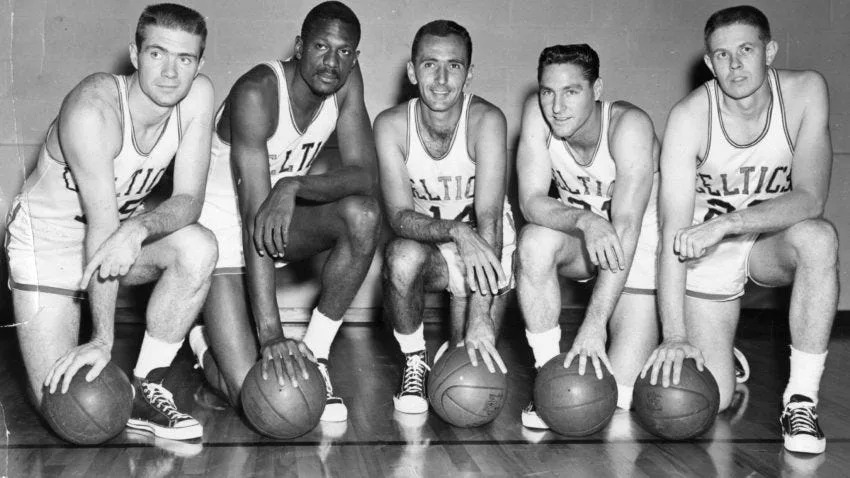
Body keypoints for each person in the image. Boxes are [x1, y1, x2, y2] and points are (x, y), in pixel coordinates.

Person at [5, 3, 215, 441]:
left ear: (199, 63)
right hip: (48, 244)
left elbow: (189, 200)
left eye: (185, 59)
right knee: (72, 414)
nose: (171, 73)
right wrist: (103, 338)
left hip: (118, 235)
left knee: (199, 246)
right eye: (157, 54)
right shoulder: (93, 110)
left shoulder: (197, 96)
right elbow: (101, 230)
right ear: (135, 55)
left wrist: (138, 228)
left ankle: (146, 386)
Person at [641, 5, 836, 454]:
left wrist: (728, 223)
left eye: (745, 50)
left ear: (769, 51)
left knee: (818, 236)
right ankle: (721, 352)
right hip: (706, 249)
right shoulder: (690, 116)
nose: (734, 65)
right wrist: (675, 334)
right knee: (711, 399)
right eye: (722, 55)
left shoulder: (805, 92)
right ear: (709, 63)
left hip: (765, 238)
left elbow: (810, 198)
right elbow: (674, 230)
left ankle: (801, 400)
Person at [190, 1, 380, 423]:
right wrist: (271, 334)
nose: (332, 61)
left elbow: (364, 175)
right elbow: (254, 221)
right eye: (320, 47)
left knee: (363, 215)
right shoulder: (256, 92)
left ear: (355, 57)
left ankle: (317, 350)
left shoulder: (345, 82)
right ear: (299, 46)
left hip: (278, 217)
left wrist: (293, 184)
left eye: (344, 51)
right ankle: (203, 343)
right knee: (256, 400)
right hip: (222, 231)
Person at [515, 44, 660, 429]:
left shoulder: (629, 126)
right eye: (548, 92)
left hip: (638, 250)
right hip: (585, 240)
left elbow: (626, 228)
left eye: (571, 92)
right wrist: (585, 220)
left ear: (597, 90)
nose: (556, 106)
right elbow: (531, 202)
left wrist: (594, 324)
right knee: (533, 241)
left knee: (621, 398)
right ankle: (549, 377)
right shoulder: (537, 114)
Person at [375, 20, 514, 414]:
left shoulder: (487, 120)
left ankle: (453, 341)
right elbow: (400, 217)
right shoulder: (390, 125)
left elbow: (489, 218)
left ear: (469, 74)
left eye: (453, 66)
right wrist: (456, 230)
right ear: (411, 71)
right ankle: (413, 360)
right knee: (400, 256)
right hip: (432, 249)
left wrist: (481, 314)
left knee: (463, 369)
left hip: (488, 251)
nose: (440, 79)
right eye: (429, 64)